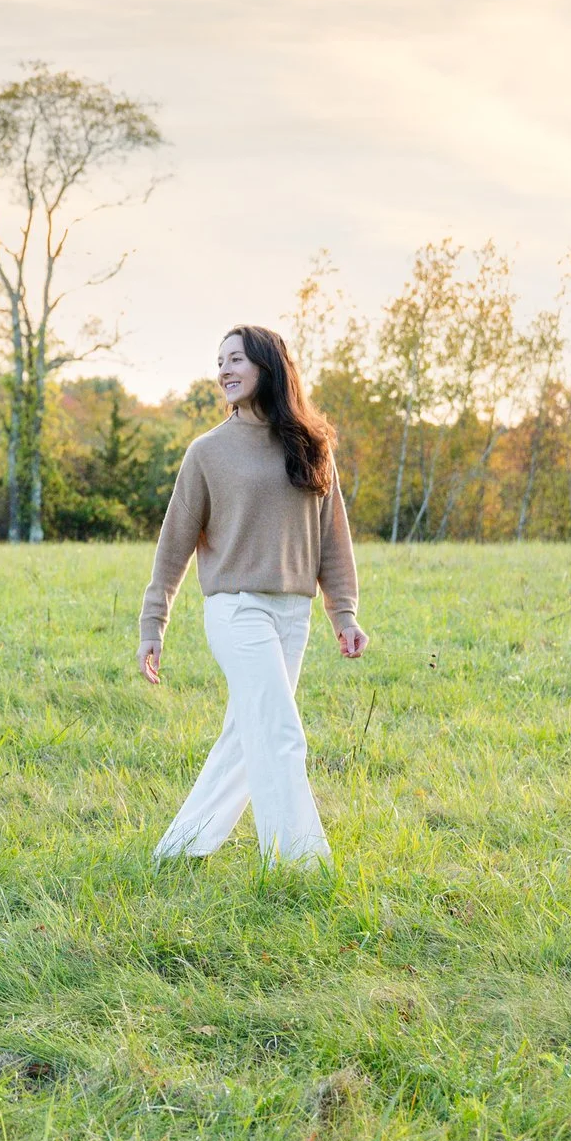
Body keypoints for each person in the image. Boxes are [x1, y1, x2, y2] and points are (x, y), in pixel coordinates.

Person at [139, 325, 367, 867]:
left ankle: (177, 851)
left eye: (235, 359)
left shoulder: (312, 446)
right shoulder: (207, 452)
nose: (224, 371)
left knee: (247, 737)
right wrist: (154, 624)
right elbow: (174, 544)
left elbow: (332, 537)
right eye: (219, 362)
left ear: (268, 365)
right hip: (235, 609)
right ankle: (300, 866)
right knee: (281, 732)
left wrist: (344, 611)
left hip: (295, 614)